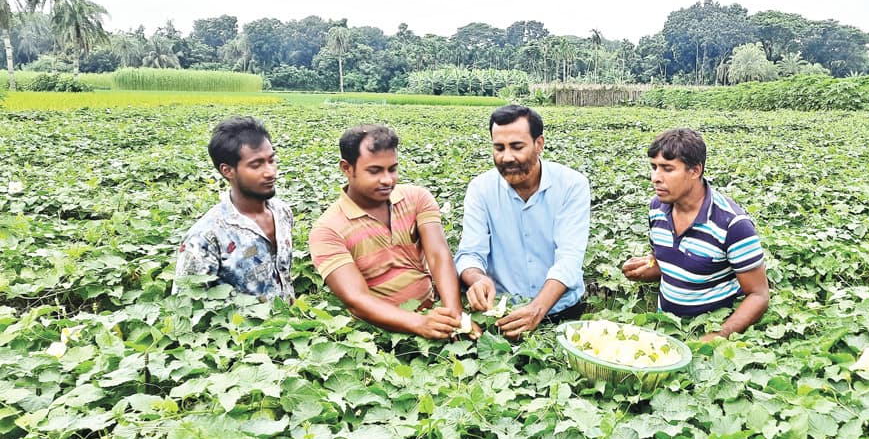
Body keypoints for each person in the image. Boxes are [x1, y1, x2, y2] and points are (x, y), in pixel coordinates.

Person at [308, 125, 471, 340]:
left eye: (392, 169)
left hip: (434, 315)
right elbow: (356, 300)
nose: (387, 180)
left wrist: (454, 318)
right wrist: (419, 323)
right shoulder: (327, 230)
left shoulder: (416, 198)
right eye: (374, 171)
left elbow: (438, 255)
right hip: (379, 337)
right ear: (347, 168)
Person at [455, 105, 591, 339]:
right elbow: (469, 253)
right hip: (501, 314)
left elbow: (569, 258)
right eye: (499, 148)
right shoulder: (481, 189)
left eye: (517, 147)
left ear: (539, 144)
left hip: (561, 311)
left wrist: (537, 308)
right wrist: (477, 279)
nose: (507, 157)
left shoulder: (572, 185)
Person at [621, 128, 769, 341]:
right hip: (666, 328)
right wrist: (649, 268)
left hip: (709, 329)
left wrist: (718, 335)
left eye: (667, 169)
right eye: (653, 167)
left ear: (695, 171)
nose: (655, 178)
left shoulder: (732, 224)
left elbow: (759, 295)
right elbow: (667, 262)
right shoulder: (657, 208)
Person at [174, 116, 294, 301]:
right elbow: (184, 305)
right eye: (256, 165)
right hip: (239, 328)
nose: (270, 172)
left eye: (271, 160)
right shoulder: (205, 236)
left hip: (290, 326)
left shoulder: (282, 213)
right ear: (227, 171)